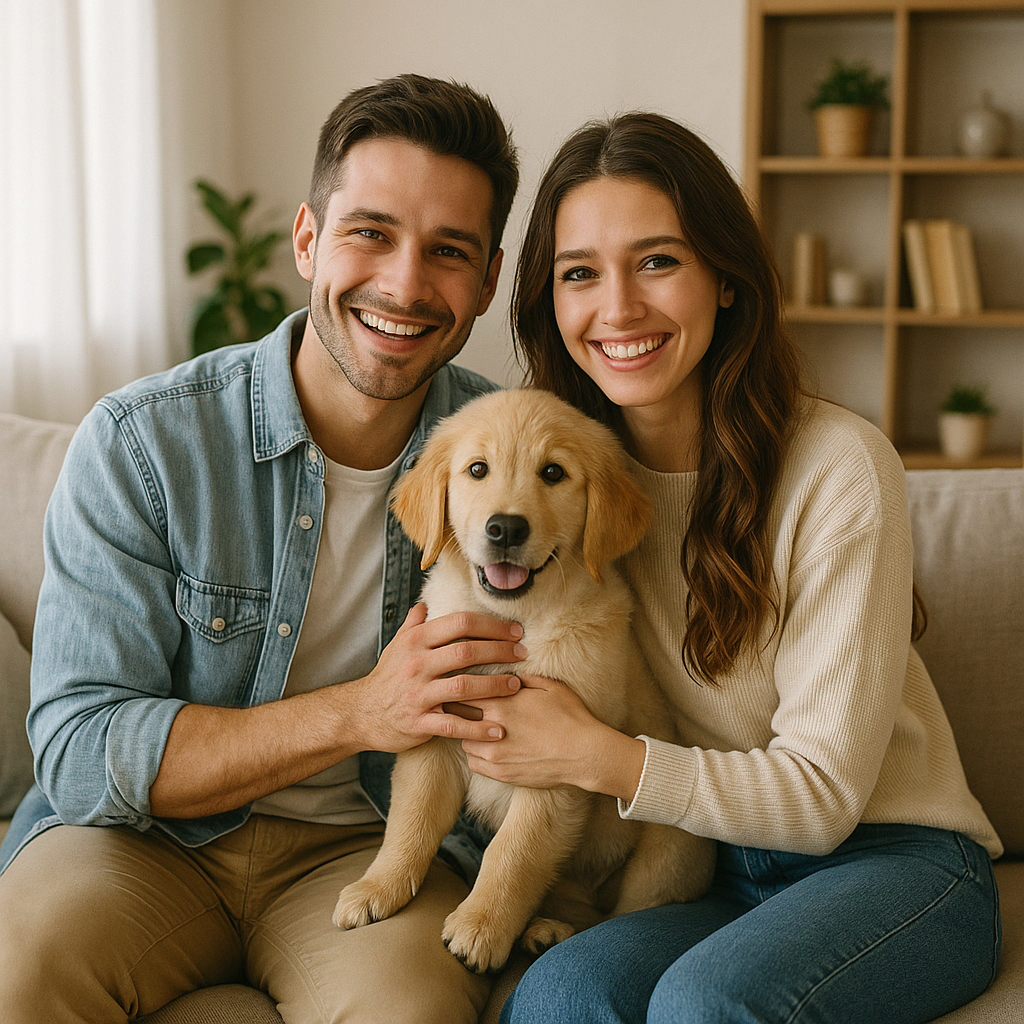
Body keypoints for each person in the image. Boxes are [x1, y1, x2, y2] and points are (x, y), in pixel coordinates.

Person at [0, 74, 523, 1024]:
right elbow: (79, 750)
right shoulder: (142, 445)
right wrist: (360, 711)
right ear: (307, 239)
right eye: (370, 232)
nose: (406, 285)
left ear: (487, 281)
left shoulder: (517, 462)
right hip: (142, 844)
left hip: (371, 847)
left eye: (448, 251)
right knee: (14, 971)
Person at [459, 112, 1003, 1024]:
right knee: (560, 998)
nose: (618, 308)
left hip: (892, 858)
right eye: (579, 273)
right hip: (709, 857)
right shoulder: (565, 483)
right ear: (549, 301)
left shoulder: (838, 466)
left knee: (707, 1004)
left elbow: (824, 798)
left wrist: (596, 755)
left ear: (724, 278)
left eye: (657, 261)